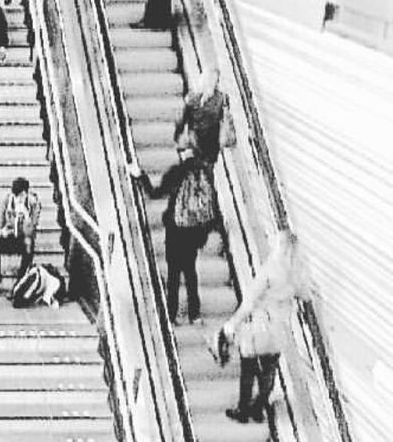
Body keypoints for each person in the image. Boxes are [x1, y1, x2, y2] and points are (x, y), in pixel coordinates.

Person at [215, 230, 300, 424]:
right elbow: (303, 293)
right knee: (269, 370)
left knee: (248, 369)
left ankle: (243, 409)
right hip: (279, 330)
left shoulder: (269, 271)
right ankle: (259, 408)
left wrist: (232, 324)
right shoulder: (296, 271)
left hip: (259, 328)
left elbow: (250, 302)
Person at [128, 148, 215, 327]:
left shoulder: (177, 172)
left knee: (174, 274)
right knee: (191, 273)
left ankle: (172, 314)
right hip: (193, 233)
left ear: (182, 154)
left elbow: (154, 193)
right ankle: (194, 314)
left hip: (176, 231)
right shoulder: (204, 173)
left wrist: (140, 175)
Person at [0, 177, 41, 297]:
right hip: (10, 235)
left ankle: (20, 283)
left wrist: (26, 217)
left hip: (23, 236)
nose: (18, 199)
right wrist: (1, 231)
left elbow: (31, 230)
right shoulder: (8, 199)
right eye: (16, 196)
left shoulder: (33, 203)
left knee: (29, 244)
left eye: (20, 196)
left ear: (25, 193)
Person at [174, 68, 234, 167]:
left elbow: (225, 118)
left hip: (209, 135)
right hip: (201, 133)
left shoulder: (220, 98)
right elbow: (183, 117)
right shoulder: (194, 98)